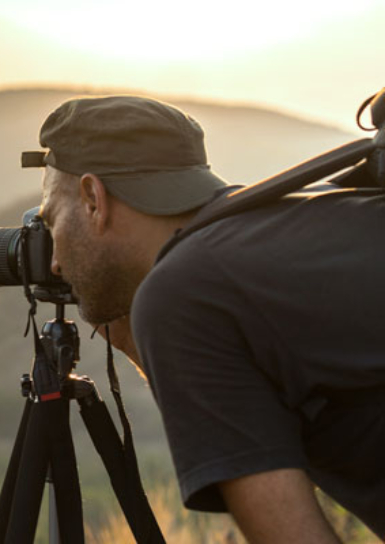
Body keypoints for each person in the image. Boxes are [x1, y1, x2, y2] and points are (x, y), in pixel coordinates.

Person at [26, 95, 385, 542]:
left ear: (93, 198)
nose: (55, 262)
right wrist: (135, 335)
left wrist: (161, 314)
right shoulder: (300, 225)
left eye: (53, 221)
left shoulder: (186, 293)